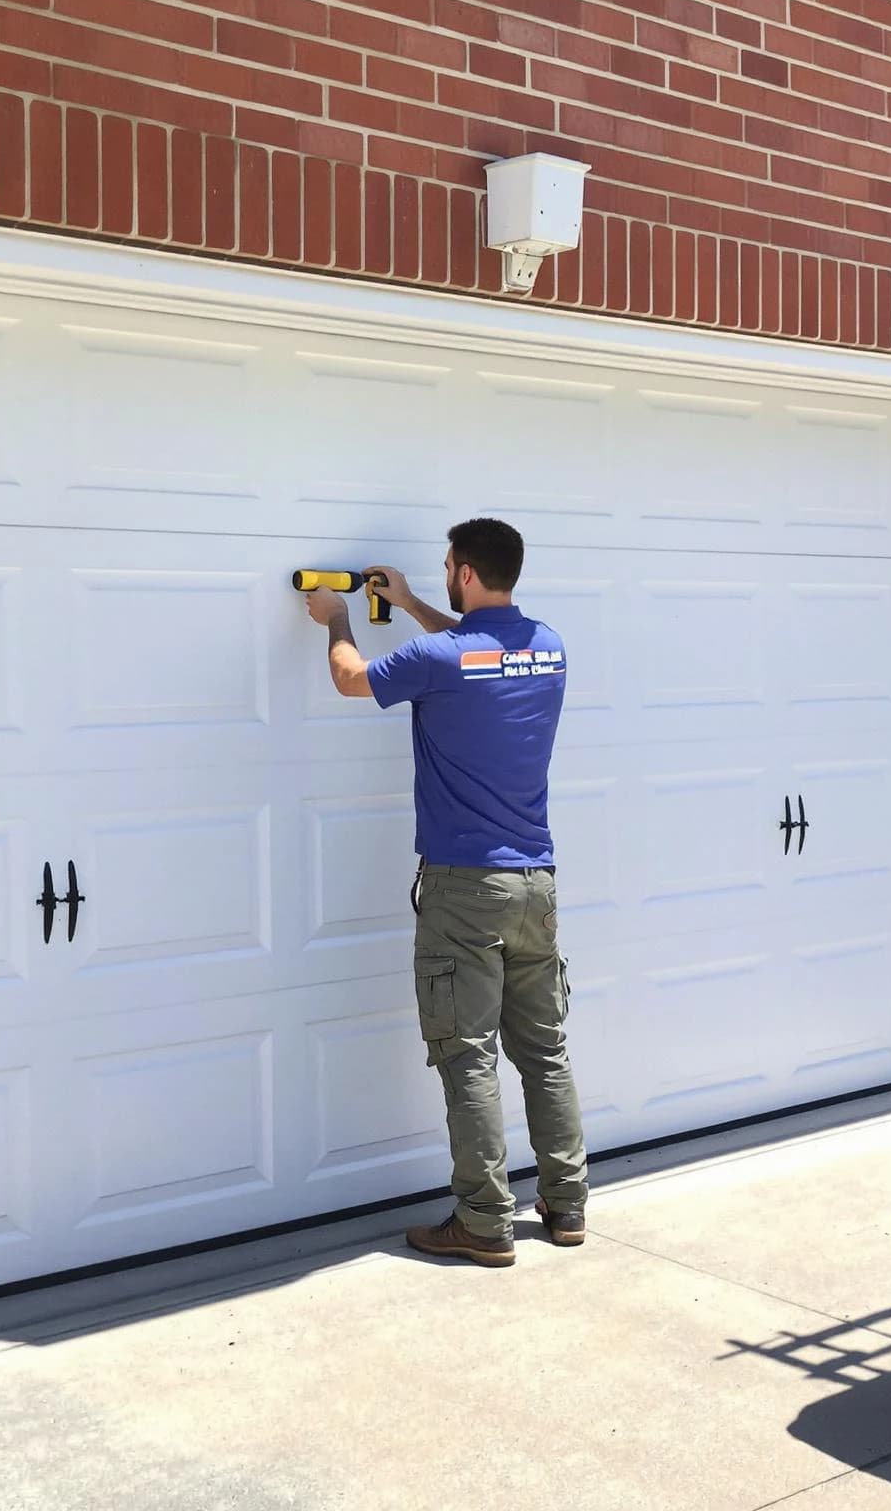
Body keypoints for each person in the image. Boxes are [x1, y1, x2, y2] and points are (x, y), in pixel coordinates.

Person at [304, 517, 587, 1266]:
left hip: (466, 889)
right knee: (545, 1053)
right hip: (537, 885)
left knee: (468, 1056)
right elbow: (476, 647)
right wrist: (415, 601)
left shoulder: (439, 657)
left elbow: (351, 678)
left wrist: (336, 619)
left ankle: (485, 1223)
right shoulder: (547, 647)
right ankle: (566, 1205)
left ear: (463, 570)